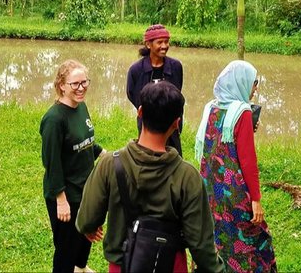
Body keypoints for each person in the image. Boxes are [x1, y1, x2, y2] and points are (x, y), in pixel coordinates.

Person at [76, 81, 224, 273]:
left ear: (139, 112)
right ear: (176, 123)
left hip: (123, 266)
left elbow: (86, 220)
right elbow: (201, 244)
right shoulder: (188, 177)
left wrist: (88, 226)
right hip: (170, 265)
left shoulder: (110, 164)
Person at [195, 60, 277, 272]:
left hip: (210, 188)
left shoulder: (211, 107)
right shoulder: (243, 112)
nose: (255, 87)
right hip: (234, 192)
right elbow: (248, 162)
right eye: (254, 82)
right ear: (241, 82)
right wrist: (256, 200)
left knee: (214, 234)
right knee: (253, 236)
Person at [40, 59, 105, 273]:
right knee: (66, 247)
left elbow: (85, 142)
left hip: (85, 188)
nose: (81, 88)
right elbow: (52, 162)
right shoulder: (54, 119)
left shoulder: (81, 107)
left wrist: (106, 155)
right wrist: (61, 200)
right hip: (66, 193)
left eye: (84, 82)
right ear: (61, 86)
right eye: (75, 84)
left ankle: (81, 267)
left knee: (86, 234)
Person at [126, 24, 184, 155]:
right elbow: (132, 94)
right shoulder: (136, 70)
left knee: (173, 159)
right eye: (160, 42)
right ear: (148, 45)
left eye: (167, 42)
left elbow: (177, 93)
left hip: (171, 125)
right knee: (147, 159)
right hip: (148, 125)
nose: (164, 46)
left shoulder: (176, 67)